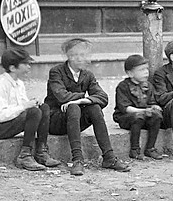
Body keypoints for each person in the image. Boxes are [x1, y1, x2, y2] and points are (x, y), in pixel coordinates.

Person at [46, 37, 129, 176]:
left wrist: (82, 101)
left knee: (94, 107)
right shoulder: (56, 72)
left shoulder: (87, 75)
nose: (84, 59)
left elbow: (103, 97)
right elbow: (62, 97)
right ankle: (77, 160)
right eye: (80, 55)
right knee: (73, 107)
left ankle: (109, 157)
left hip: (74, 119)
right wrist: (80, 99)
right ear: (71, 57)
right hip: (56, 120)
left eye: (85, 55)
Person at [0, 48, 61, 171]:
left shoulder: (19, 83)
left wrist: (32, 103)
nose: (29, 67)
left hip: (9, 121)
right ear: (13, 68)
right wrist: (26, 106)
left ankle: (41, 151)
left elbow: (22, 105)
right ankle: (24, 155)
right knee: (33, 112)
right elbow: (2, 116)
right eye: (26, 64)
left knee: (43, 108)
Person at [113, 54, 164, 161]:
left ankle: (150, 148)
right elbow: (125, 108)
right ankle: (134, 149)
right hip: (126, 117)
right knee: (138, 117)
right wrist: (143, 111)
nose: (146, 72)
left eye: (146, 69)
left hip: (145, 114)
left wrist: (154, 107)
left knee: (157, 117)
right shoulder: (123, 86)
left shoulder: (148, 86)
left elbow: (151, 102)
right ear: (130, 73)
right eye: (141, 70)